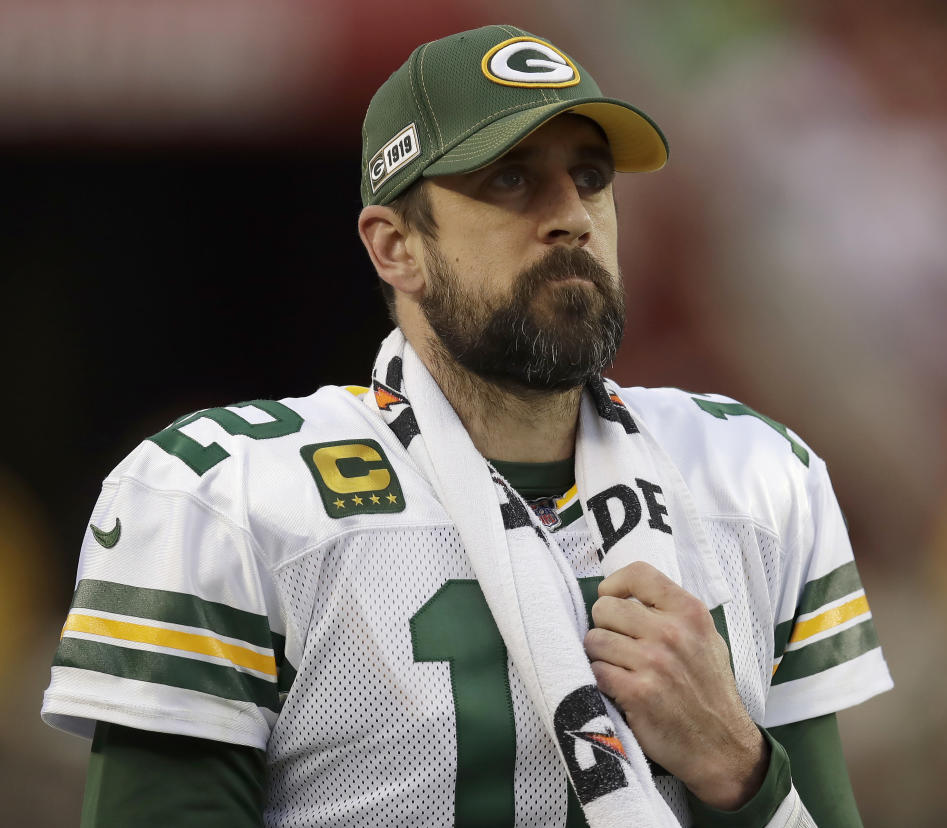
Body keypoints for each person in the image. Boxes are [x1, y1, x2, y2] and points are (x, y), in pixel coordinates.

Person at [43, 24, 892, 827]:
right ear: (394, 248)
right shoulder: (220, 497)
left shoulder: (755, 476)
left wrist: (738, 765)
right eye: (511, 179)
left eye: (592, 177)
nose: (571, 215)